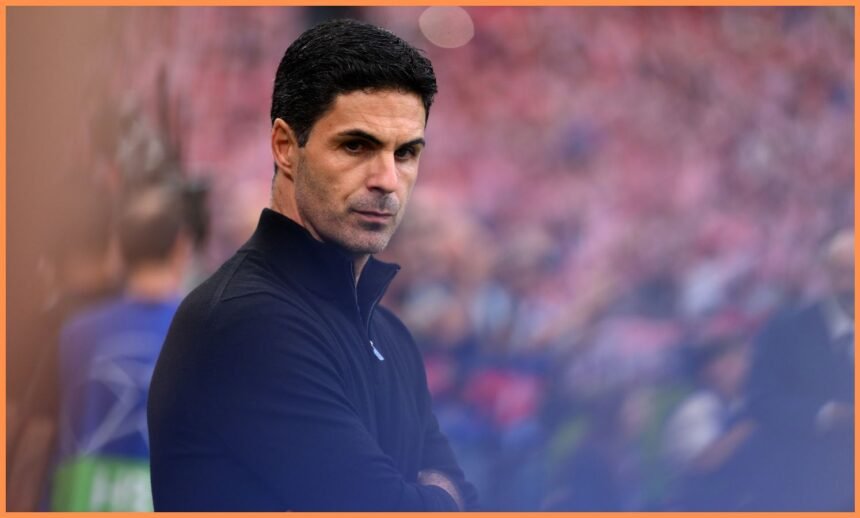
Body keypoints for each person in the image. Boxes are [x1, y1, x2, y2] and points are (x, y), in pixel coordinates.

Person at [148, 19, 479, 511]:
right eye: (356, 146)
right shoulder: (248, 322)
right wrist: (428, 491)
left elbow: (467, 501)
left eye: (406, 153)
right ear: (285, 146)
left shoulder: (388, 334)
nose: (387, 180)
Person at [53, 182, 191, 510]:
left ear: (118, 250)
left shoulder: (75, 333)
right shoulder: (208, 331)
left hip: (80, 498)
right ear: (180, 249)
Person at [744, 229, 854, 510]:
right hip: (806, 489)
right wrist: (829, 414)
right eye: (844, 272)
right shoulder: (786, 329)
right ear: (826, 274)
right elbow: (760, 400)